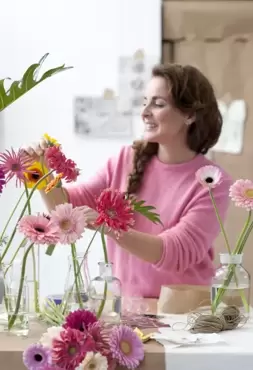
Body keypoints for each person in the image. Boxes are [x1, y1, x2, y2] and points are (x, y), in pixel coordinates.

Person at [23, 63, 232, 305]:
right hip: (127, 309)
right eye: (145, 102)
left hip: (184, 315)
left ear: (190, 115)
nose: (145, 112)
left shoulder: (212, 182)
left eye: (158, 104)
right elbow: (64, 207)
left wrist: (106, 226)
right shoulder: (125, 160)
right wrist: (39, 171)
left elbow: (175, 252)